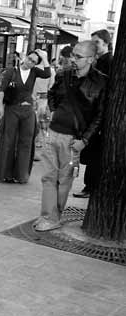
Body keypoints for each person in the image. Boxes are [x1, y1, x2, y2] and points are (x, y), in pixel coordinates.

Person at [33, 41, 107, 232]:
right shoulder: (64, 75)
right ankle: (48, 216)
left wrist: (85, 140)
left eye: (78, 56)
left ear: (91, 59)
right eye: (73, 55)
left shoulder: (101, 82)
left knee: (64, 179)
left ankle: (53, 217)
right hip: (53, 133)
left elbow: (100, 116)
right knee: (49, 177)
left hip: (74, 140)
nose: (73, 59)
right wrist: (54, 111)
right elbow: (51, 94)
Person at [0, 49, 51, 184]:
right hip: (12, 109)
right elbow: (2, 89)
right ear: (24, 57)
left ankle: (21, 175)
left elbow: (47, 73)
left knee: (26, 142)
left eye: (34, 62)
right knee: (8, 141)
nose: (30, 62)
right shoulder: (11, 71)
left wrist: (44, 57)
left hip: (28, 111)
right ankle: (5, 174)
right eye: (29, 59)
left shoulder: (35, 72)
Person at [73, 29, 113, 199]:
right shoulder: (97, 60)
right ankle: (89, 185)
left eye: (96, 42)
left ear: (105, 43)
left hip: (99, 113)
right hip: (90, 111)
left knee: (94, 153)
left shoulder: (109, 61)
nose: (94, 45)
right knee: (90, 153)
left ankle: (90, 187)